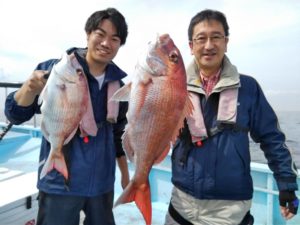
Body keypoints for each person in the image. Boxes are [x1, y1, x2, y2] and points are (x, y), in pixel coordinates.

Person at [164, 9, 299, 225]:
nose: (209, 45)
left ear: (226, 42)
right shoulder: (172, 88)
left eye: (216, 37)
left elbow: (271, 139)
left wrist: (287, 185)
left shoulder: (248, 88)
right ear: (191, 46)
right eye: (201, 38)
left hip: (230, 210)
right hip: (181, 202)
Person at [5, 8, 130, 225]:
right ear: (88, 34)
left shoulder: (118, 87)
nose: (106, 43)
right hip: (59, 183)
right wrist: (28, 88)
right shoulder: (53, 70)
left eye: (114, 38)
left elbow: (118, 134)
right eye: (100, 34)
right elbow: (15, 115)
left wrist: (126, 176)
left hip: (102, 184)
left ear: (120, 44)